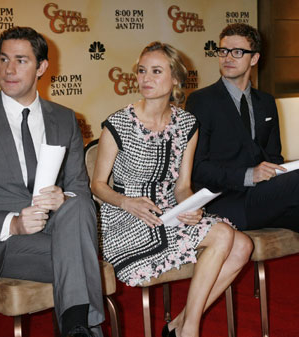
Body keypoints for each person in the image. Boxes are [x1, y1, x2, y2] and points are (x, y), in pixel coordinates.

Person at [186, 23, 299, 337]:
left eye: (237, 51)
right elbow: (197, 169)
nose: (227, 57)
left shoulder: (266, 103)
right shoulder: (202, 101)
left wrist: (274, 174)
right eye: (223, 50)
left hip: (260, 199)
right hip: (223, 202)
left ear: (254, 58)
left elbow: (275, 159)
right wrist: (248, 175)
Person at [0, 26, 104, 337]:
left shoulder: (64, 118)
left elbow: (79, 189)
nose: (9, 69)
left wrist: (64, 199)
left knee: (80, 204)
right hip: (1, 244)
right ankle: (81, 329)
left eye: (21, 60)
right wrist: (13, 223)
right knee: (80, 261)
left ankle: (77, 329)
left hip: (58, 230)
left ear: (42, 67)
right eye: (4, 59)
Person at [91, 41, 253, 337]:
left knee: (243, 245)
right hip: (127, 219)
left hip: (170, 210)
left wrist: (191, 206)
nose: (146, 79)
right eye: (142, 71)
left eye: (156, 71)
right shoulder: (118, 124)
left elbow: (183, 186)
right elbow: (97, 186)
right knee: (223, 236)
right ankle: (188, 330)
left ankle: (179, 325)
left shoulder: (188, 123)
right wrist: (126, 202)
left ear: (175, 79)